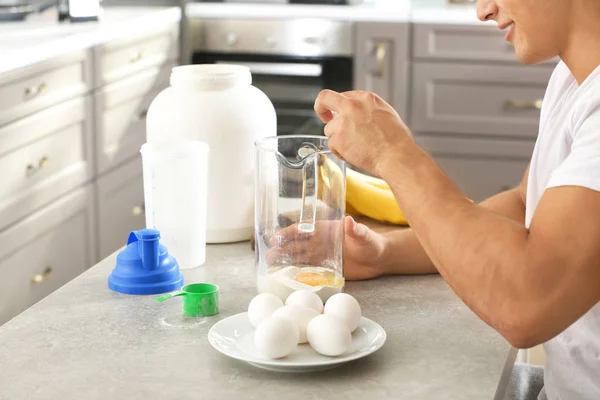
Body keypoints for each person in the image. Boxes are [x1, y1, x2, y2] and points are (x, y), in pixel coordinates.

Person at [272, 0, 600, 398]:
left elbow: (526, 304)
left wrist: (392, 152)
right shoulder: (574, 76)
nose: (484, 10)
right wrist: (387, 252)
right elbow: (523, 208)